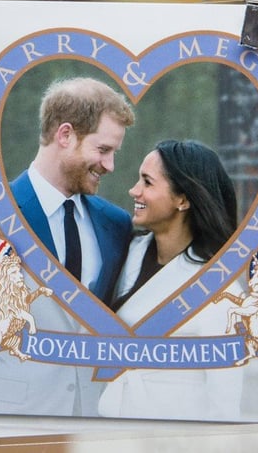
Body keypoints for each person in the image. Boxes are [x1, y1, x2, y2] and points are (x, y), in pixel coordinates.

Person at [0, 76, 135, 416]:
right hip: (6, 419)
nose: (110, 165)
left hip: (91, 420)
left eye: (114, 152)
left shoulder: (116, 224)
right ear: (65, 135)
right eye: (103, 150)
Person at [98, 139, 245, 421]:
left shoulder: (220, 292)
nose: (134, 190)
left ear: (183, 199)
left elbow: (224, 405)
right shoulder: (126, 253)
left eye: (147, 183)